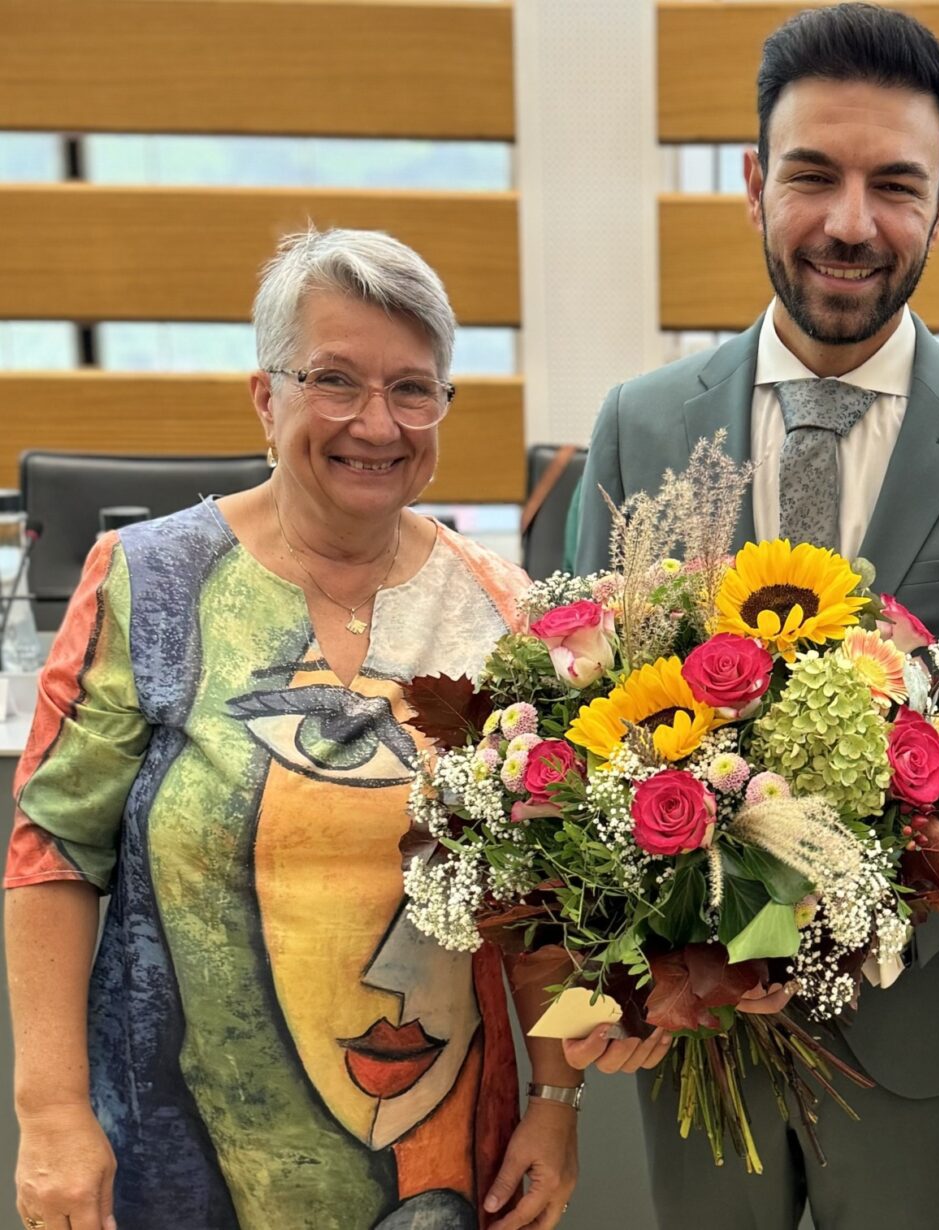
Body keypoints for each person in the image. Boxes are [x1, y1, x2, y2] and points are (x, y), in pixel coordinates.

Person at [572, 4, 939, 1226]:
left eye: (895, 185)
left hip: (906, 1028)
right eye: (812, 175)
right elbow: (585, 736)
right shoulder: (639, 426)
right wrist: (634, 966)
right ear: (754, 184)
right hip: (689, 1019)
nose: (851, 224)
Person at [5, 229, 582, 1230]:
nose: (377, 422)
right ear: (265, 398)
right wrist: (49, 1111)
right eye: (335, 380)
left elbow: (534, 900)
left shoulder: (503, 611)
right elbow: (53, 856)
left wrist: (557, 1100)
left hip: (448, 1160)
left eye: (413, 388)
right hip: (175, 1159)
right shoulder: (150, 584)